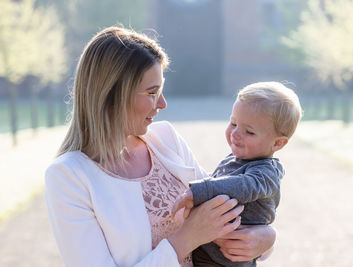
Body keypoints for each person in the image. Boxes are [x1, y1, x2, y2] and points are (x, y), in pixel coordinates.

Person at [45, 26, 276, 267]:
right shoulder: (68, 176)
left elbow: (226, 215)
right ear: (112, 94)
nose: (163, 104)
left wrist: (267, 238)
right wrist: (186, 239)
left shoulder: (166, 138)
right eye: (152, 92)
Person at [172, 82, 302, 266]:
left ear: (278, 144)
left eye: (249, 131)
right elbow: (221, 182)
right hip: (208, 254)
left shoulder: (265, 173)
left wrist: (200, 191)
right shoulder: (236, 159)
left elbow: (244, 186)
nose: (235, 133)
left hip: (227, 261)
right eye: (233, 123)